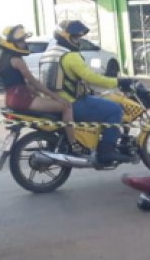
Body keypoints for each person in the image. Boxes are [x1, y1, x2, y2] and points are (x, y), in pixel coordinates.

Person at [39, 20, 135, 165]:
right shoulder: (70, 56)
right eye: (75, 37)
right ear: (66, 37)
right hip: (71, 102)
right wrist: (118, 82)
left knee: (98, 103)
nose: (78, 41)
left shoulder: (49, 53)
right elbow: (90, 77)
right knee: (115, 109)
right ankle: (106, 151)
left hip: (53, 101)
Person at [0, 25, 76, 145]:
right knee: (67, 106)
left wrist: (39, 95)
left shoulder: (3, 61)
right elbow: (33, 82)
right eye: (20, 41)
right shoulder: (17, 60)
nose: (24, 43)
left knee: (53, 107)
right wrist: (56, 97)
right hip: (22, 98)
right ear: (11, 43)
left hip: (10, 99)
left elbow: (23, 84)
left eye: (23, 40)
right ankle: (73, 143)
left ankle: (57, 140)